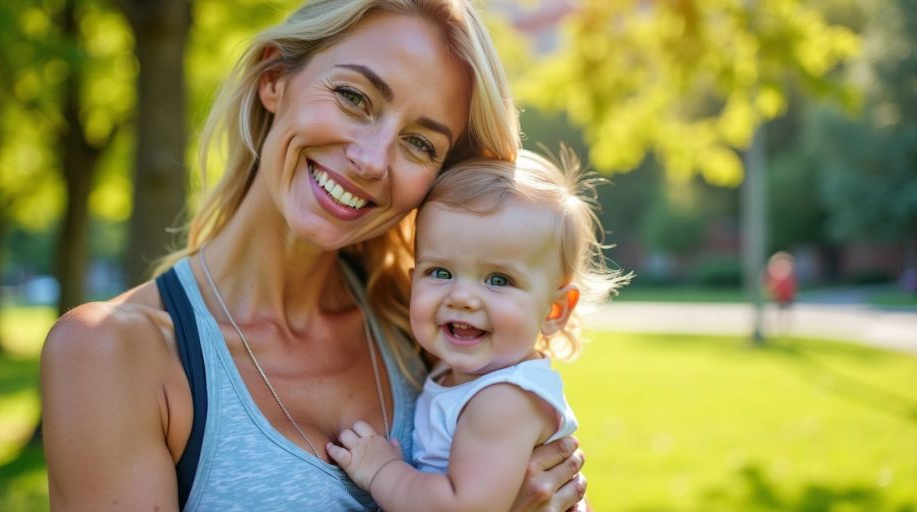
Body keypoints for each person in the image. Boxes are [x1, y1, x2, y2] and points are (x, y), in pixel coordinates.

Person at [39, 1, 589, 510]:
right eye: (354, 98)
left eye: (420, 144)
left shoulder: (427, 332)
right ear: (274, 79)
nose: (372, 161)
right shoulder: (112, 354)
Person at [326, 149, 625, 511]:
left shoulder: (503, 402)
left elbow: (459, 508)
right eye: (440, 272)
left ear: (555, 309)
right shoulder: (457, 375)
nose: (463, 297)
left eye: (498, 279)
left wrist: (383, 470)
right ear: (413, 282)